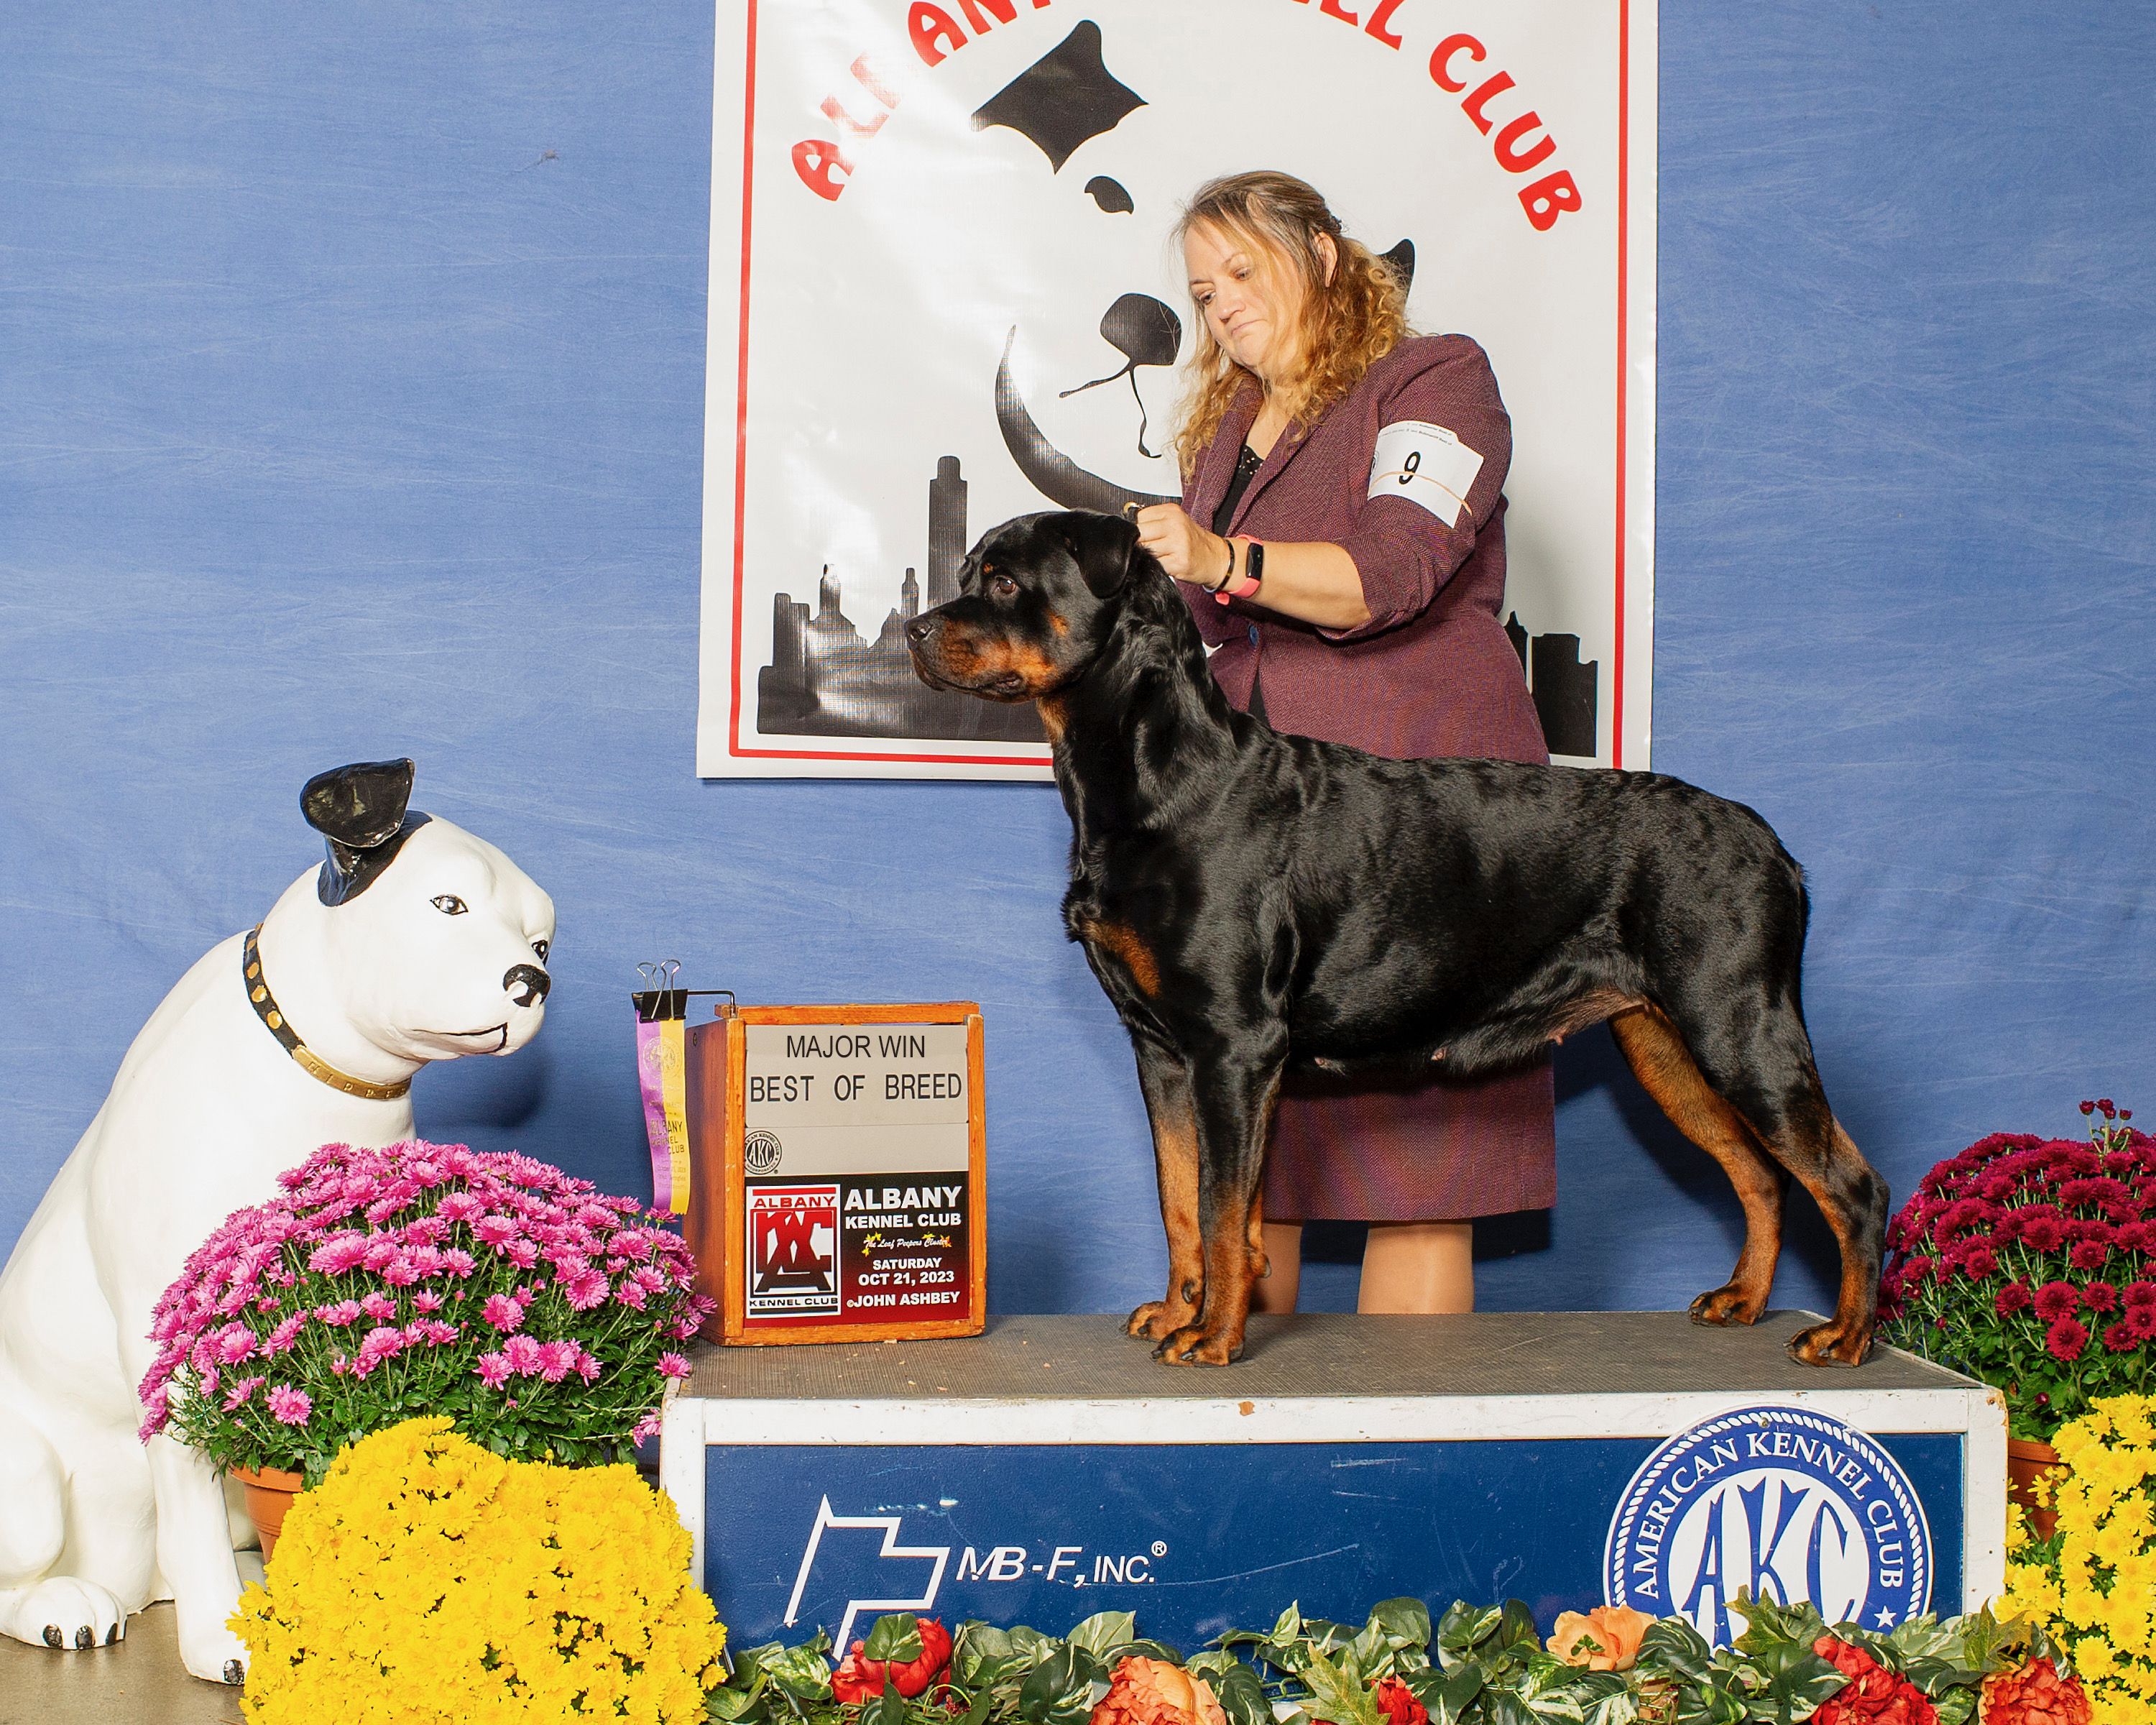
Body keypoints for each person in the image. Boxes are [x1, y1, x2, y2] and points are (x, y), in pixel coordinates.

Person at [1133, 170, 1553, 1317]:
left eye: (1243, 270)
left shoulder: (1435, 378)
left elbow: (1390, 572)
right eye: (1202, 291)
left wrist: (1222, 558)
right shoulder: (1227, 430)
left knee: (1418, 1175)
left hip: (1420, 823)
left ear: (1322, 254)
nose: (1221, 304)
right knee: (1255, 1157)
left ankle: (1403, 1436)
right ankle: (1237, 1409)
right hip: (1258, 839)